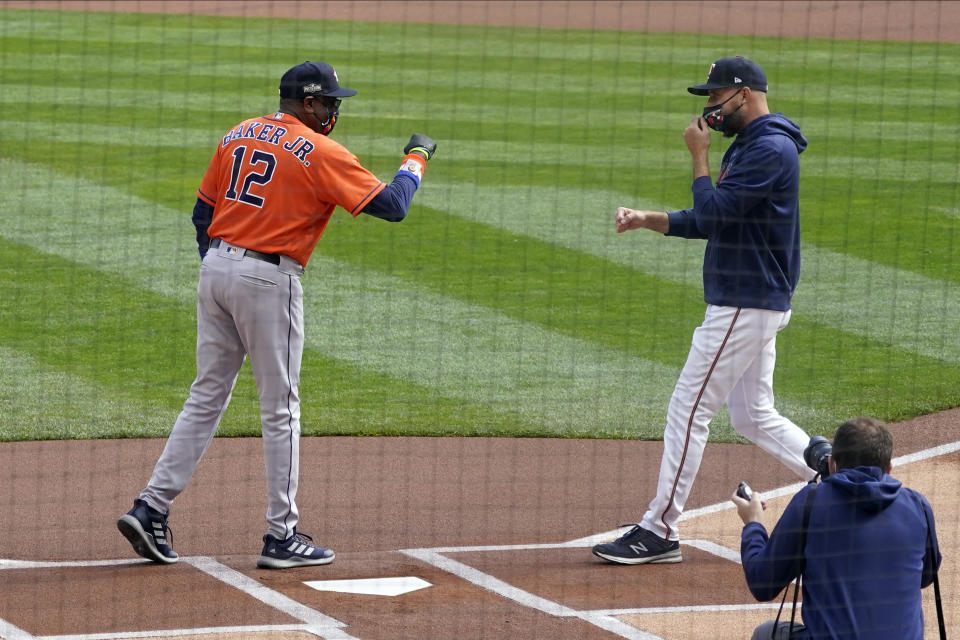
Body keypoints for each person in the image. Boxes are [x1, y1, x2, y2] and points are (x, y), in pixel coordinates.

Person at [117, 61, 436, 569]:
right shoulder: (322, 151)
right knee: (280, 408)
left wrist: (222, 266)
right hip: (268, 280)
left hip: (216, 269)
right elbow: (393, 206)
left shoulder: (237, 133)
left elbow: (203, 212)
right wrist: (416, 158)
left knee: (206, 395)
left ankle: (150, 507)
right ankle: (281, 536)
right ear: (307, 103)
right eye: (330, 102)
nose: (334, 110)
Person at [593, 56, 814, 564]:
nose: (710, 108)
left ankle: (660, 529)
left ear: (745, 94)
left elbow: (713, 214)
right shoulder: (754, 145)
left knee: (688, 410)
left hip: (745, 301)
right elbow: (714, 216)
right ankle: (835, 478)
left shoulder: (770, 149)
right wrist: (649, 219)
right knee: (755, 415)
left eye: (716, 97)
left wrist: (699, 157)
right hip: (750, 300)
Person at [733, 417, 942, 639]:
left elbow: (762, 584)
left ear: (832, 464)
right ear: (889, 468)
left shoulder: (812, 502)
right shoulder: (917, 505)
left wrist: (753, 523)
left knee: (766, 634)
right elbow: (926, 577)